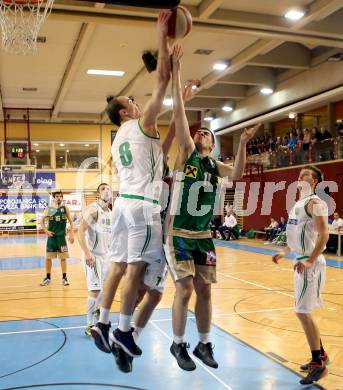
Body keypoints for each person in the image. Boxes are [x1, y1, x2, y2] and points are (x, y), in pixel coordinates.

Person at [165, 44, 260, 371]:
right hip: (178, 232)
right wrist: (176, 72)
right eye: (199, 130)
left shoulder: (214, 164)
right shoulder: (188, 153)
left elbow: (236, 174)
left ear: (213, 142)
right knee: (186, 288)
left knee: (205, 291)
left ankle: (204, 344)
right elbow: (178, 113)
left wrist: (244, 143)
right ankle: (178, 345)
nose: (201, 133)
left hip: (204, 235)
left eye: (206, 132)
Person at [91, 10, 173, 360]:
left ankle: (102, 321)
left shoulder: (119, 137)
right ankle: (123, 331)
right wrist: (163, 38)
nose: (137, 104)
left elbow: (157, 156)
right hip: (141, 207)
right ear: (124, 112)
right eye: (131, 102)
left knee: (118, 267)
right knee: (134, 270)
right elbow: (163, 79)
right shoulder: (140, 124)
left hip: (123, 204)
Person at [272, 165, 329, 386]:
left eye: (305, 175)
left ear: (314, 181)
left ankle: (318, 365)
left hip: (309, 263)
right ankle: (321, 355)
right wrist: (285, 251)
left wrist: (310, 260)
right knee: (302, 311)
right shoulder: (298, 204)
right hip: (301, 261)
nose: (300, 177)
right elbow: (295, 234)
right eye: (299, 175)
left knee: (302, 311)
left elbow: (324, 235)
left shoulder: (316, 203)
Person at [77, 183, 112, 336]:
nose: (107, 191)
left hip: (107, 256)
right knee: (95, 289)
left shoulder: (111, 212)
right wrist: (87, 253)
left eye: (109, 188)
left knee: (104, 290)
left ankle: (98, 315)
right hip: (93, 255)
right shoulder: (93, 210)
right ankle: (89, 324)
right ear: (98, 194)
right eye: (103, 189)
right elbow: (80, 231)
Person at [40, 191, 74, 286]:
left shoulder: (64, 208)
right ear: (53, 198)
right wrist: (46, 231)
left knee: (63, 258)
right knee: (48, 258)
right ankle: (48, 278)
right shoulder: (50, 209)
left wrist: (71, 234)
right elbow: (41, 221)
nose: (59, 198)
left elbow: (71, 222)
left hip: (61, 238)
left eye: (60, 196)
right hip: (52, 238)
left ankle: (64, 278)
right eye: (57, 196)